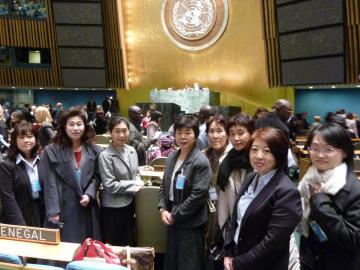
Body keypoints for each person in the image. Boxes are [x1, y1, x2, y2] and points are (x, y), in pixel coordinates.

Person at [223, 127, 302, 270]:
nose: (258, 156)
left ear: (279, 154)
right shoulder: (250, 177)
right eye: (254, 149)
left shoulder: (287, 191)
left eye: (267, 151)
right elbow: (236, 219)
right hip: (237, 255)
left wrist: (238, 263)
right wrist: (228, 251)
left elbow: (273, 243)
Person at [298, 123, 360, 270]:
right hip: (310, 259)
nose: (320, 155)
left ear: (344, 152)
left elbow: (353, 239)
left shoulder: (354, 189)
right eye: (315, 148)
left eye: (329, 149)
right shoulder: (308, 181)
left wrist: (320, 203)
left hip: (339, 263)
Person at [158, 114, 212, 270]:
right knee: (172, 262)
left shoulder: (200, 161)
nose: (183, 137)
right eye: (179, 132)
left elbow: (198, 196)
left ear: (195, 135)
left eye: (188, 132)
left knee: (189, 264)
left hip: (190, 223)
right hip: (171, 218)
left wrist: (175, 214)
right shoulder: (172, 157)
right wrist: (162, 209)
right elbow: (164, 186)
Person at [43, 108, 102, 243]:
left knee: (87, 248)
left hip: (86, 205)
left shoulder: (94, 149)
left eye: (79, 124)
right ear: (64, 126)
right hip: (63, 207)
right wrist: (53, 211)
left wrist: (89, 194)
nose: (76, 128)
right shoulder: (52, 150)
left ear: (85, 126)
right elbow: (50, 182)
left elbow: (97, 176)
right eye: (71, 124)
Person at [98, 116, 144, 246]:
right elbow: (109, 185)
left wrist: (138, 180)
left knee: (128, 241)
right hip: (113, 208)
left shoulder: (132, 150)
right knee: (114, 245)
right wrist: (134, 184)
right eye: (117, 131)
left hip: (130, 204)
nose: (121, 135)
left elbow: (137, 173)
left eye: (125, 131)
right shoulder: (105, 156)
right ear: (110, 133)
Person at [0, 121, 45, 227]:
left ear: (36, 138)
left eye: (29, 136)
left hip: (41, 215)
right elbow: (8, 198)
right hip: (17, 219)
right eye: (21, 137)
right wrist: (20, 225)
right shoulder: (7, 165)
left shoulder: (43, 161)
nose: (26, 140)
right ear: (15, 141)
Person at [217, 113, 254, 229]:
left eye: (241, 133)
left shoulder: (258, 162)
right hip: (233, 227)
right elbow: (223, 200)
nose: (236, 138)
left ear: (251, 133)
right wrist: (225, 229)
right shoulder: (227, 162)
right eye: (232, 134)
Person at [202, 116, 232, 251]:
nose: (215, 136)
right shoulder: (204, 156)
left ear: (227, 133)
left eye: (220, 131)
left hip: (228, 215)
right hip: (207, 212)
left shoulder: (235, 158)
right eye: (211, 131)